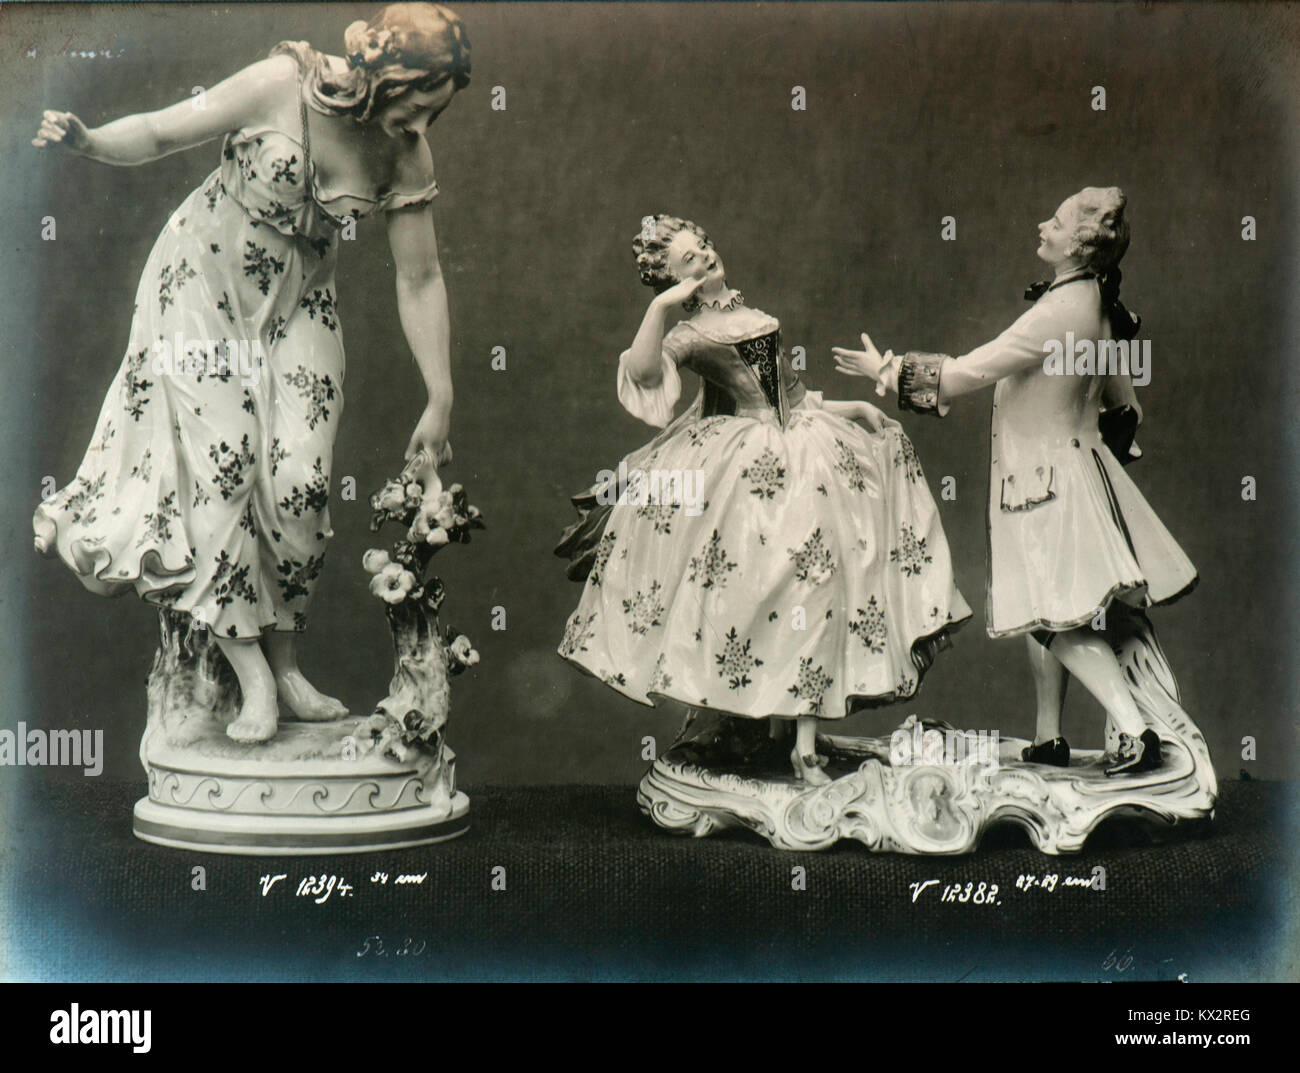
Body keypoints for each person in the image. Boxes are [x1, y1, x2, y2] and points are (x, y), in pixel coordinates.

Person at [31, 3, 469, 743]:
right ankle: (251, 676)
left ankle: (287, 662)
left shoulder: (404, 153)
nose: (422, 129)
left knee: (300, 481)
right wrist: (90, 141)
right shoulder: (281, 84)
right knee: (225, 468)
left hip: (298, 304)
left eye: (435, 115)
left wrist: (440, 394)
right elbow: (168, 128)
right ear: (379, 81)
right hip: (201, 287)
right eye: (415, 109)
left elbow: (420, 278)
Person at [557, 215, 971, 785]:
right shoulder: (690, 333)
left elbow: (790, 397)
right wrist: (660, 308)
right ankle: (791, 740)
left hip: (802, 446)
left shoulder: (755, 315)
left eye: (701, 245)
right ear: (673, 280)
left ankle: (796, 736)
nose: (703, 256)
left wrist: (850, 408)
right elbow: (646, 373)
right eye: (686, 260)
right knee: (786, 582)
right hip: (745, 464)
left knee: (824, 573)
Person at [833, 187, 1197, 775]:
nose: (1041, 226)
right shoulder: (1100, 306)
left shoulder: (1059, 312)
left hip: (1043, 487)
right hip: (1074, 475)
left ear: (1078, 246)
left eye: (1053, 222)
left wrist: (886, 370)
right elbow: (1124, 408)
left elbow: (967, 373)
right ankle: (1049, 735)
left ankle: (1134, 733)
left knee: (1053, 619)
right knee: (1050, 615)